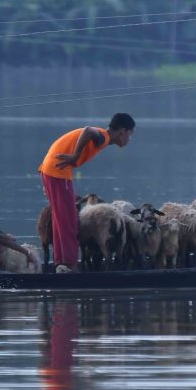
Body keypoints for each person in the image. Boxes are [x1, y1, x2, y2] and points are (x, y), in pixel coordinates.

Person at [37, 112, 135, 272]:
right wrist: (75, 155)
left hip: (52, 171)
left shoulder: (103, 137)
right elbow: (88, 130)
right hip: (58, 172)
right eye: (130, 135)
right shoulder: (103, 137)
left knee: (60, 219)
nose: (129, 139)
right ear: (122, 131)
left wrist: (46, 176)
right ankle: (71, 265)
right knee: (69, 221)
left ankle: (61, 263)